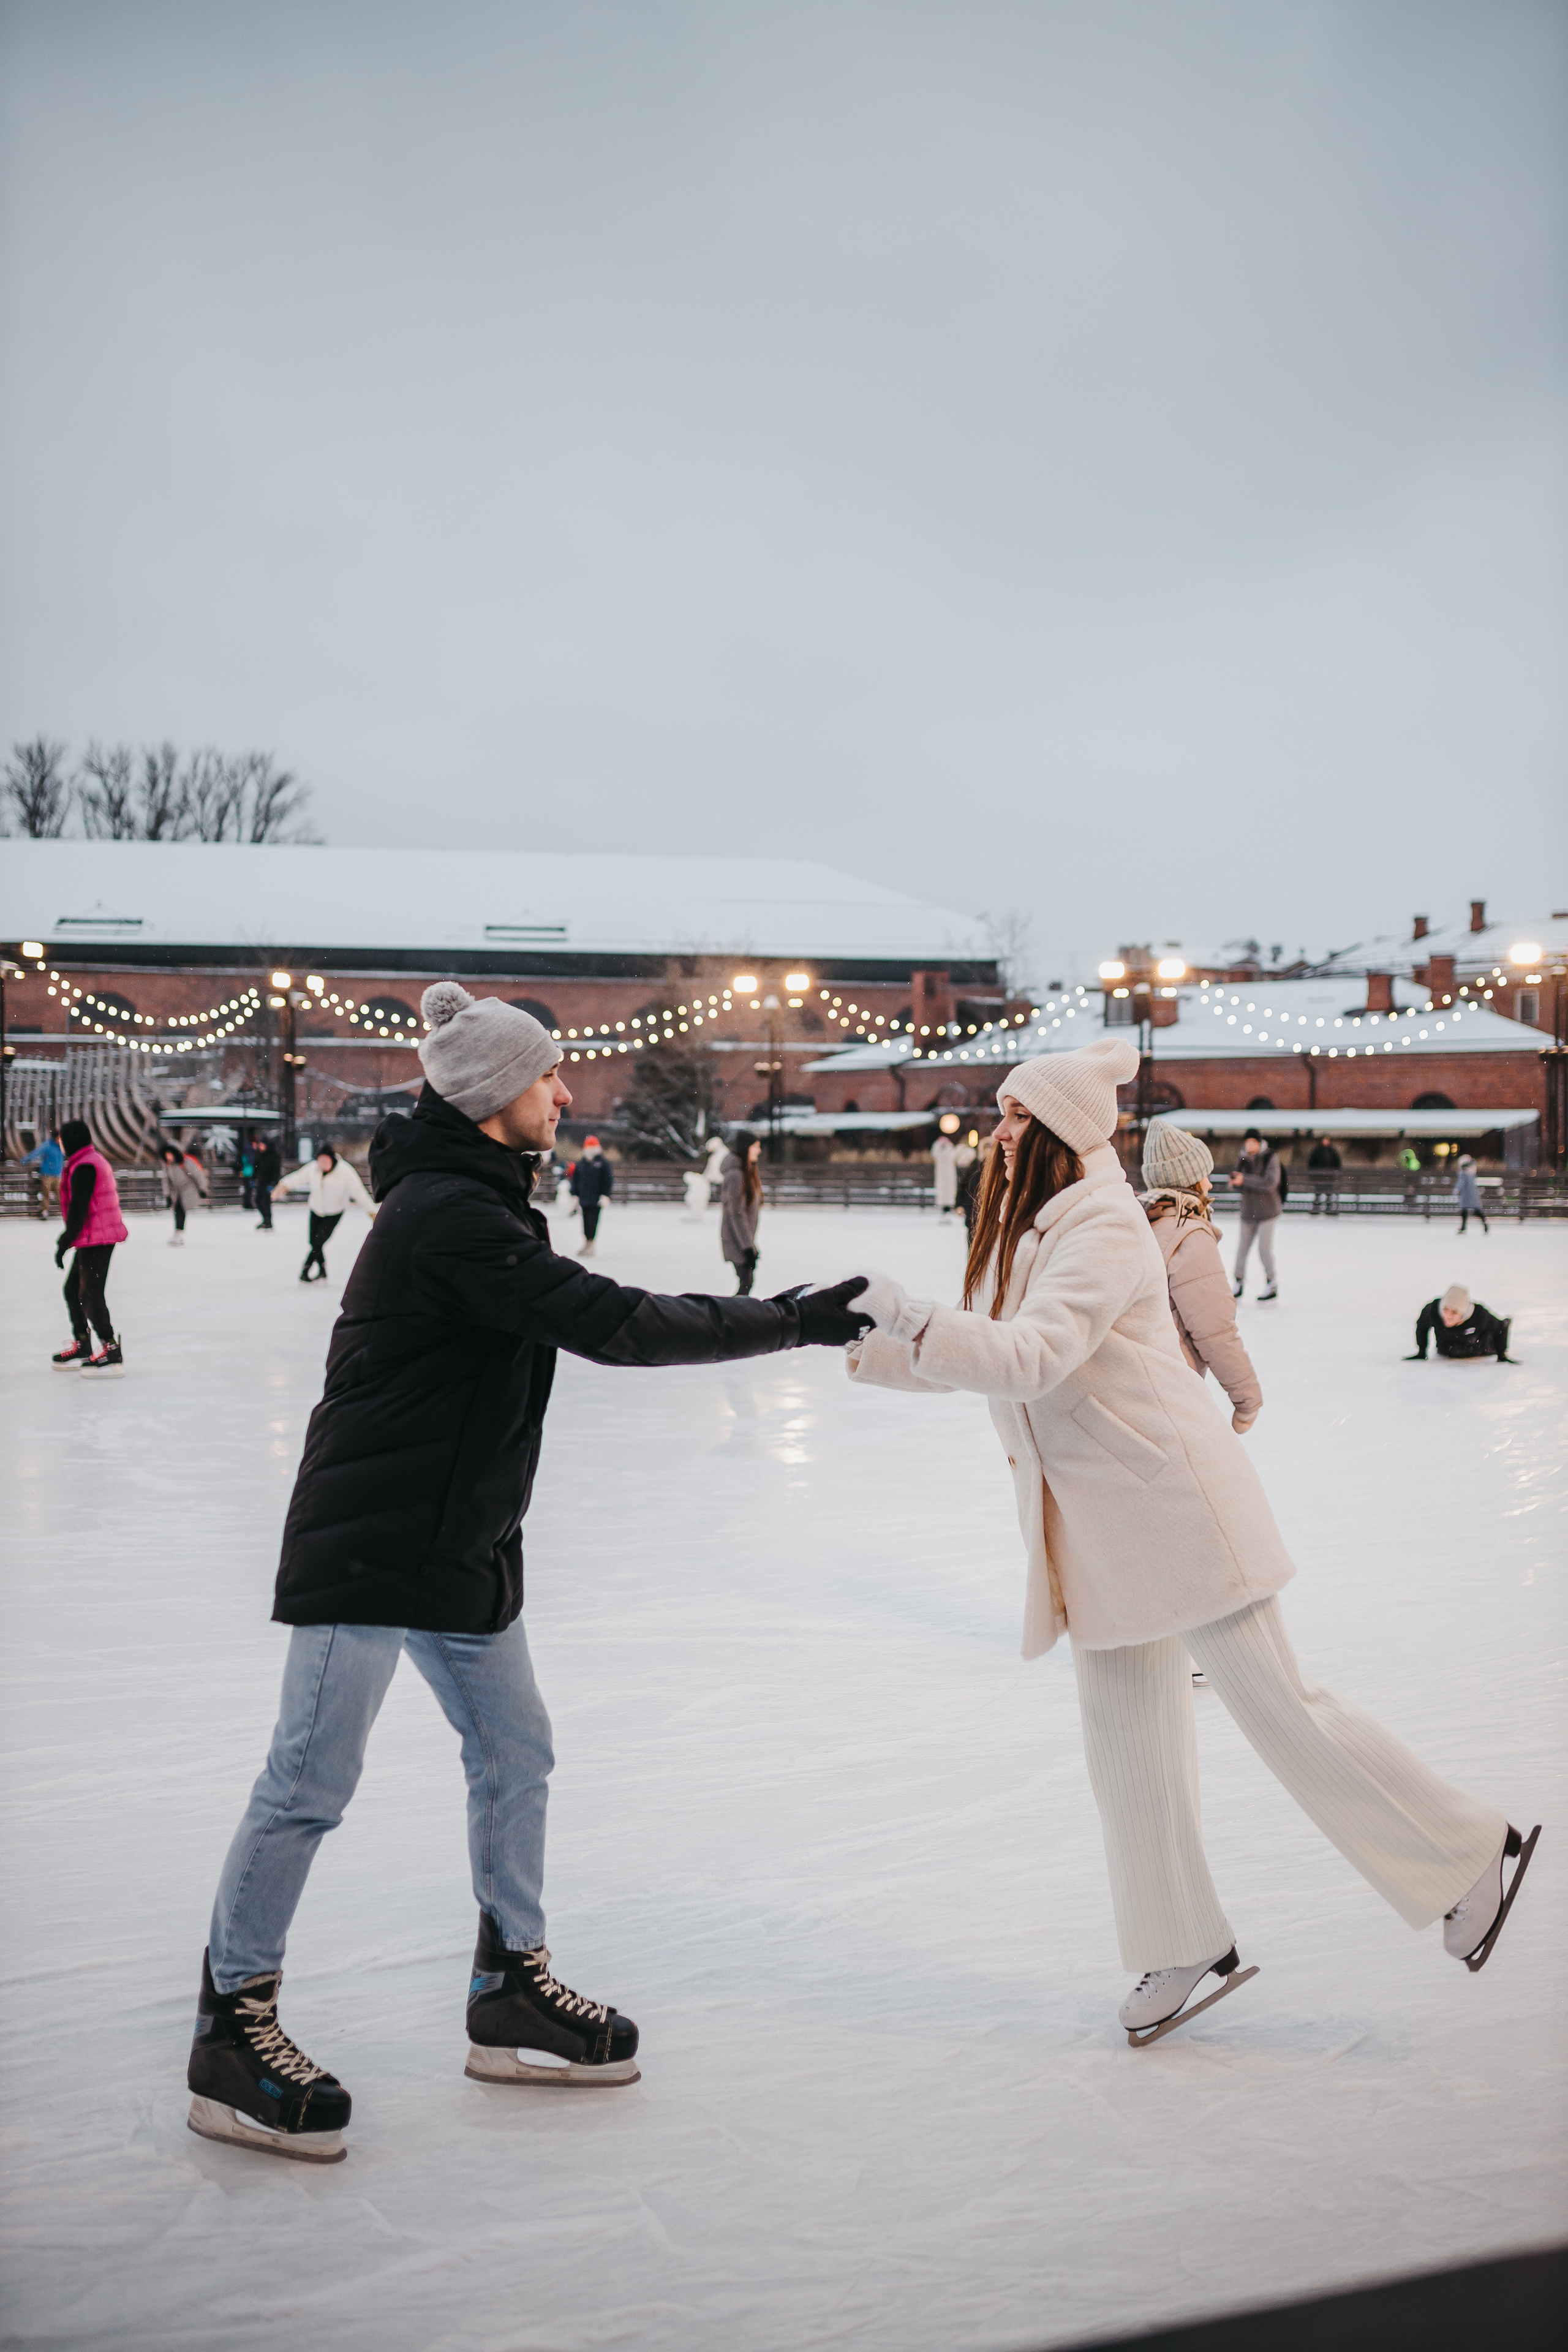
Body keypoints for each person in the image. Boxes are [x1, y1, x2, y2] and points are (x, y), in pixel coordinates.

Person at [186, 982, 870, 2162]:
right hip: (373, 1538)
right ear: (499, 1091)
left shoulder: (479, 1199)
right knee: (309, 1781)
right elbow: (617, 1325)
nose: (567, 1091)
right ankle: (230, 2028)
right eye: (551, 1075)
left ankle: (510, 1985)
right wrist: (784, 1322)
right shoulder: (450, 1216)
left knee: (517, 1751)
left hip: (460, 1541)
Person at [842, 1035, 1534, 2043]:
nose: (997, 1133)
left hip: (1175, 1508)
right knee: (1129, 1748)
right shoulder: (1037, 1228)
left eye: (1015, 1116)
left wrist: (912, 1321)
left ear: (1061, 1131)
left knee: (1279, 1710)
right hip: (1098, 1531)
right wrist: (869, 1345)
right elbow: (989, 1353)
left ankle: (1468, 1854)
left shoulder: (1105, 1225)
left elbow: (1035, 1357)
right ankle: (1178, 1938)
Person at [1138, 1120, 1262, 1431]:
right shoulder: (1188, 1234)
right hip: (1169, 1388)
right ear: (1189, 1181)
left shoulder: (1141, 1224)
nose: (1209, 1185)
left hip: (1132, 1383)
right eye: (1202, 1176)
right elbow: (1214, 1329)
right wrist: (1247, 1398)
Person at [50, 1118, 129, 1376]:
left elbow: (78, 1209)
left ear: (71, 1140)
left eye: (62, 1140)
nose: (60, 1145)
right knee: (73, 1290)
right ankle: (84, 1345)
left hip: (99, 1237)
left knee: (89, 1295)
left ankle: (111, 1349)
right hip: (94, 1235)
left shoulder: (85, 1165)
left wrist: (64, 1243)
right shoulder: (87, 1160)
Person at [276, 1142, 376, 1283]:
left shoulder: (345, 1172)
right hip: (316, 1209)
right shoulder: (313, 1169)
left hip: (334, 1212)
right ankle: (322, 1270)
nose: (322, 1164)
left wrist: (372, 1211)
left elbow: (359, 1192)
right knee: (313, 1242)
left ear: (332, 1160)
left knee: (318, 1242)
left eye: (325, 1161)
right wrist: (283, 1185)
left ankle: (306, 1269)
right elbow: (298, 1177)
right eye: (320, 1161)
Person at [1229, 1129, 1281, 1300]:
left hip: (1267, 1212)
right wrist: (1235, 1182)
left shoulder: (1270, 1157)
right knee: (1242, 1249)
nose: (1250, 1146)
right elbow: (1234, 1184)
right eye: (1247, 1142)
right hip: (1248, 1211)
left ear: (1259, 1143)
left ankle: (1271, 1282)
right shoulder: (1242, 1158)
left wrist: (1245, 1180)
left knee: (1264, 1249)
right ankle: (1239, 1282)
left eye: (1253, 1142)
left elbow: (1270, 1183)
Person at [1408, 1284, 1513, 1363]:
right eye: (1445, 1309)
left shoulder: (1479, 1314)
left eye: (1454, 1312)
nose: (1448, 1316)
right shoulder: (1433, 1310)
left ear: (1463, 1313)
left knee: (1501, 1325)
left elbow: (1501, 1328)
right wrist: (1422, 1351)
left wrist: (1502, 1355)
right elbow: (1422, 1326)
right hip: (1446, 1352)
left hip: (1482, 1351)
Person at [720, 1130, 763, 1294]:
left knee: (747, 1284)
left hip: (742, 1242)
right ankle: (731, 1317)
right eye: (756, 1147)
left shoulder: (746, 1172)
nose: (759, 1151)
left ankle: (734, 1316)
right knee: (746, 1284)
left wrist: (751, 1246)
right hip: (737, 1242)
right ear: (747, 1148)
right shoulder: (736, 1176)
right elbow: (736, 1214)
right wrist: (747, 1248)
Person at [568, 1134, 613, 1257]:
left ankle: (591, 1244)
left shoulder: (602, 1163)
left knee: (592, 1221)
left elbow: (607, 1180)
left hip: (596, 1199)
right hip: (584, 1198)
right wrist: (575, 1195)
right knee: (585, 1222)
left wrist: (605, 1195)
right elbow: (575, 1180)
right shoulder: (581, 1164)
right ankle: (586, 1242)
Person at [159, 1140, 208, 1246]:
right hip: (177, 1191)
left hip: (189, 1188)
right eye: (166, 1155)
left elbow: (198, 1175)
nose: (168, 1157)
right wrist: (167, 1195)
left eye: (170, 1154)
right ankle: (178, 1232)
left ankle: (179, 1232)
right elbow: (166, 1181)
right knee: (177, 1209)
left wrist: (203, 1189)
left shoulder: (186, 1161)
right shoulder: (167, 1165)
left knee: (180, 1208)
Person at [21, 1128, 64, 1218]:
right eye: (59, 1137)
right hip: (47, 1174)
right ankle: (44, 1211)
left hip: (58, 1175)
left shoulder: (62, 1146)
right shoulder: (48, 1145)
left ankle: (65, 1211)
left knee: (61, 1194)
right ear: (55, 1137)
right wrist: (25, 1160)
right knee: (46, 1194)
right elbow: (37, 1153)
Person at [1306, 1134, 1341, 1216]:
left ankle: (1328, 1209)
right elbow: (1312, 1163)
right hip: (1319, 1177)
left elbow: (1337, 1163)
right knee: (1318, 1193)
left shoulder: (1332, 1151)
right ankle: (1316, 1208)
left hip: (1329, 1177)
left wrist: (1334, 1173)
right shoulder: (1317, 1151)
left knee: (1329, 1194)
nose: (1326, 1142)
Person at [1453, 1155, 1488, 1235]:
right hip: (1473, 1194)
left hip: (1467, 1195)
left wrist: (1457, 1189)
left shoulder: (1463, 1174)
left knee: (1465, 1211)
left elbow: (1461, 1183)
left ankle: (1463, 1227)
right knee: (1475, 1211)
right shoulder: (1472, 1172)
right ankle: (1485, 1224)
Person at [252, 1134, 281, 1231]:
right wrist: (253, 1179)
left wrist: (273, 1183)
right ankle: (265, 1219)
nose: (261, 1147)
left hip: (269, 1182)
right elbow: (256, 1168)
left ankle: (268, 1221)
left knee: (266, 1202)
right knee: (258, 1201)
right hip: (261, 1182)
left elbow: (276, 1171)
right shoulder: (259, 1155)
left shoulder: (274, 1155)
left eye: (263, 1145)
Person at [930, 1123, 960, 1215]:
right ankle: (943, 1207)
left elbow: (952, 1156)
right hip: (942, 1172)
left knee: (950, 1189)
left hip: (949, 1172)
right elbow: (936, 1154)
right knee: (942, 1190)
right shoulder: (938, 1147)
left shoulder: (950, 1147)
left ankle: (949, 1206)